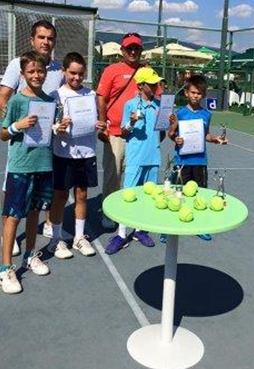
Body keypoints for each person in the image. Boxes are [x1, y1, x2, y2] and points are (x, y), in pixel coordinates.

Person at [0, 51, 63, 294]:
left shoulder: (50, 101)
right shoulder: (16, 101)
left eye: (40, 71)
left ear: (46, 73)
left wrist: (58, 128)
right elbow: (3, 134)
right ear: (23, 74)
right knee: (13, 216)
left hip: (43, 164)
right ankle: (5, 269)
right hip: (20, 166)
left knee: (35, 212)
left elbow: (48, 130)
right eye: (31, 71)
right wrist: (18, 125)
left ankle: (30, 255)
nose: (37, 75)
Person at [104, 68, 170, 255]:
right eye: (151, 83)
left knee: (147, 196)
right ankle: (121, 233)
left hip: (153, 157)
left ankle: (139, 230)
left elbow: (163, 132)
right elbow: (124, 132)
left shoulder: (160, 105)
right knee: (129, 194)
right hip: (135, 157)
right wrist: (132, 122)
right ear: (140, 85)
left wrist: (170, 122)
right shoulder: (130, 105)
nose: (156, 86)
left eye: (156, 83)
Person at [48, 52, 105, 259]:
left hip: (87, 153)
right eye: (72, 73)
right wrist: (57, 128)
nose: (77, 77)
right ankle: (56, 239)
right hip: (63, 154)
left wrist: (100, 124)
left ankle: (79, 237)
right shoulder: (55, 95)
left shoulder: (91, 94)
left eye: (81, 74)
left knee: (82, 195)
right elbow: (49, 125)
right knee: (60, 196)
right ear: (64, 71)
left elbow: (97, 119)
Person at [163, 74, 227, 243]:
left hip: (200, 162)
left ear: (203, 95)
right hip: (182, 162)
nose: (195, 96)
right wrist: (176, 139)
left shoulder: (206, 114)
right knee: (177, 195)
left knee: (201, 195)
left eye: (199, 93)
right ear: (186, 93)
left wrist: (216, 139)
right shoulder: (180, 113)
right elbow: (171, 133)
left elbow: (206, 135)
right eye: (193, 92)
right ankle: (168, 229)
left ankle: (200, 227)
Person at [96, 33, 145, 229]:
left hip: (140, 135)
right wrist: (102, 123)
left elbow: (156, 99)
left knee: (136, 175)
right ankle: (109, 212)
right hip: (116, 133)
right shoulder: (112, 70)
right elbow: (101, 98)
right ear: (122, 50)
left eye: (136, 48)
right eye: (129, 48)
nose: (133, 51)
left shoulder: (147, 71)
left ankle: (130, 214)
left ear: (141, 50)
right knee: (113, 175)